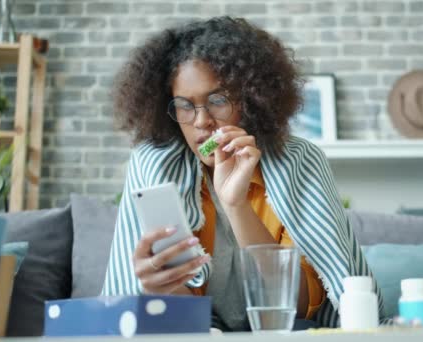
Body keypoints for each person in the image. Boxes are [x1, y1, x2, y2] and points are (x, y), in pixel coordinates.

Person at [101, 16, 382, 330]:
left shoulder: (300, 161)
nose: (201, 121)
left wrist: (236, 205)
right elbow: (178, 314)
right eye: (184, 105)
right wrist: (158, 286)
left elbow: (298, 307)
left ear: (251, 100)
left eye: (218, 100)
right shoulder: (154, 164)